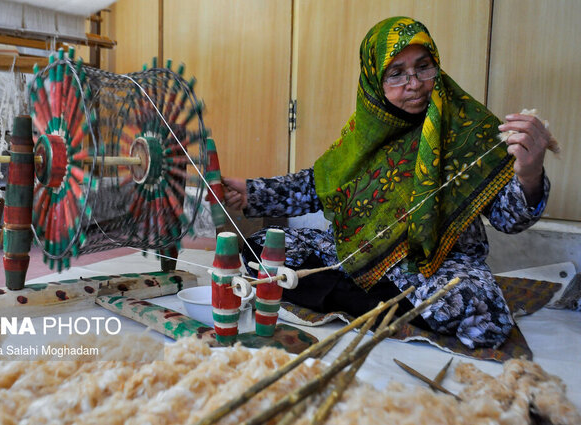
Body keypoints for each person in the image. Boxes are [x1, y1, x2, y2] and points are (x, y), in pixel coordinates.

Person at [223, 16, 553, 349]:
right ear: (373, 80)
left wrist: (529, 173)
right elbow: (317, 186)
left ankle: (358, 299)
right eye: (395, 74)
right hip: (354, 252)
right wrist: (251, 192)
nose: (414, 83)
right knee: (261, 248)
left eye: (423, 67)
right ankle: (383, 302)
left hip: (436, 264)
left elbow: (507, 220)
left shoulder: (467, 127)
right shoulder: (363, 133)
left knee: (484, 314)